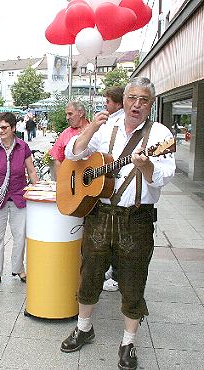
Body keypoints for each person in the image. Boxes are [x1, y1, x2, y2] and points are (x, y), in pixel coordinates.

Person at [60, 77, 175, 370]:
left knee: (133, 280)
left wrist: (146, 165)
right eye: (132, 98)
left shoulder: (160, 134)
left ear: (151, 104)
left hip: (135, 219)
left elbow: (162, 176)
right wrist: (90, 128)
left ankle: (128, 342)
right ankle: (84, 328)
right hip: (99, 214)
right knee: (90, 273)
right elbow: (73, 153)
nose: (137, 104)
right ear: (123, 99)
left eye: (144, 100)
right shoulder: (106, 126)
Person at [0, 112, 38, 288]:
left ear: (13, 128)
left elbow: (31, 171)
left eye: (4, 127)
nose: (0, 131)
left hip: (18, 197)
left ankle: (18, 268)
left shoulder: (23, 147)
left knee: (20, 236)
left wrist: (35, 191)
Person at [102, 86, 125, 293]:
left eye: (107, 102)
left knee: (118, 237)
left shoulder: (121, 122)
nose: (105, 105)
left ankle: (118, 276)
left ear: (118, 103)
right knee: (111, 236)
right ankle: (113, 269)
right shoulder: (109, 121)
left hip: (122, 192)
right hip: (109, 187)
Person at [49, 101, 89, 175]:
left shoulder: (95, 131)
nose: (67, 118)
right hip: (71, 183)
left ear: (81, 113)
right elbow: (57, 160)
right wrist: (61, 183)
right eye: (66, 114)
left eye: (70, 114)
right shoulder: (65, 134)